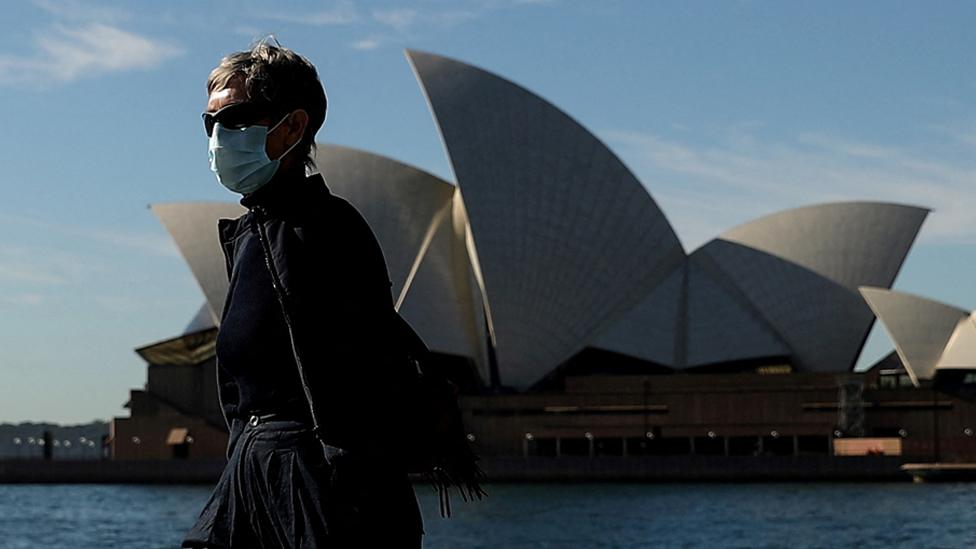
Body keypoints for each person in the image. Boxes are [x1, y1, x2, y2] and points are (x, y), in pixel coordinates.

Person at [182, 39, 424, 548]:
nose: (219, 136)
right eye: (211, 123)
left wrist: (352, 491)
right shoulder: (251, 233)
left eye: (236, 119)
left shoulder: (324, 228)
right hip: (252, 462)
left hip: (315, 470)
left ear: (293, 127)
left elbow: (359, 365)